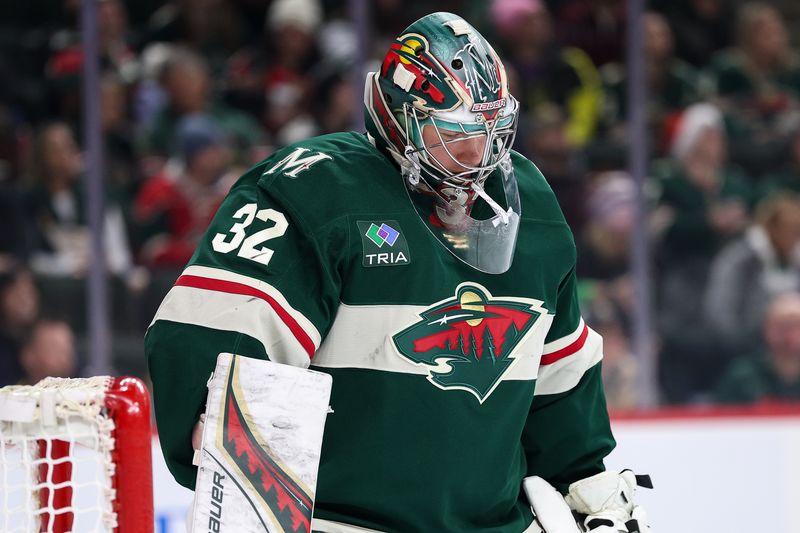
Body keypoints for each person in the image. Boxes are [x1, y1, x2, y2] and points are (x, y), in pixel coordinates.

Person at [145, 12, 650, 532]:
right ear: (399, 118)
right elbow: (209, 345)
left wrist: (584, 483)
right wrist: (232, 461)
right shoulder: (317, 191)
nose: (478, 153)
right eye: (454, 132)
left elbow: (560, 377)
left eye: (490, 129)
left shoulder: (533, 208)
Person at [716, 292, 800, 404]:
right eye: (781, 326)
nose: (787, 335)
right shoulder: (742, 375)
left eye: (794, 326)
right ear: (766, 329)